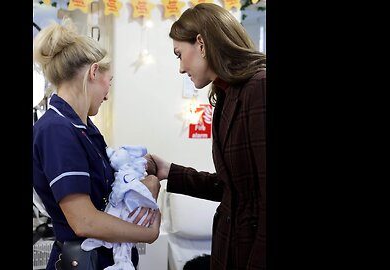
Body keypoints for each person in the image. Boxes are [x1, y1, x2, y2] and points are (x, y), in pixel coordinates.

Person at [33, 18, 161, 270]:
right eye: (109, 82)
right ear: (94, 72)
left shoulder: (83, 128)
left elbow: (104, 198)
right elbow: (84, 221)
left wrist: (144, 180)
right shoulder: (56, 130)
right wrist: (148, 233)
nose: (108, 94)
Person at [146, 3, 266, 270]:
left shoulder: (259, 88)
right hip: (229, 249)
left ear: (201, 43)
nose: (180, 68)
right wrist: (169, 171)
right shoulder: (226, 96)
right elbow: (232, 189)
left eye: (179, 54)